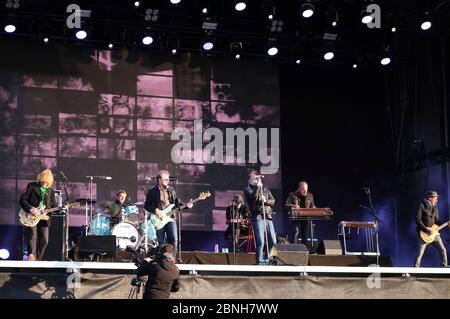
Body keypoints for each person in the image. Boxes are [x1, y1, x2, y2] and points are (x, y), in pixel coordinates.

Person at [144, 170, 192, 254]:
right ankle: (161, 261)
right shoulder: (152, 191)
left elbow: (177, 204)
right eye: (165, 179)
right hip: (159, 219)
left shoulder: (171, 190)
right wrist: (155, 210)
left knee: (173, 240)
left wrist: (187, 205)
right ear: (159, 180)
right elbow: (146, 205)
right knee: (160, 242)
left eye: (168, 179)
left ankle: (171, 260)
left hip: (170, 218)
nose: (167, 181)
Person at [19, 169, 57, 261]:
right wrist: (31, 209)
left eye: (46, 181)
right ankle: (31, 255)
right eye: (43, 181)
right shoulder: (31, 186)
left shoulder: (50, 191)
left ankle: (38, 259)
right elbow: (22, 200)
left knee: (45, 239)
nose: (44, 183)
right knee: (32, 236)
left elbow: (53, 206)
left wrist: (50, 211)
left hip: (43, 218)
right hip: (31, 215)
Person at [244, 170, 276, 265]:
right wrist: (257, 187)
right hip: (258, 217)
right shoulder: (248, 190)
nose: (256, 178)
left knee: (273, 241)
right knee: (260, 241)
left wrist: (265, 200)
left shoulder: (265, 189)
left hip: (268, 216)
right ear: (249, 180)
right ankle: (260, 261)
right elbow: (253, 198)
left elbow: (273, 201)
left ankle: (272, 261)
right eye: (253, 177)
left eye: (256, 176)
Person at [414, 191, 449, 268]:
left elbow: (436, 221)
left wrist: (447, 225)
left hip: (434, 234)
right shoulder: (421, 205)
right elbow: (417, 220)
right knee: (420, 252)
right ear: (430, 198)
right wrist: (426, 230)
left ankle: (444, 267)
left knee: (443, 250)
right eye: (435, 198)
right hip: (424, 234)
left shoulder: (435, 207)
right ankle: (415, 269)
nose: (436, 200)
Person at [285, 181, 316, 245]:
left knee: (305, 235)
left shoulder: (310, 195)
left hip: (306, 218)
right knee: (296, 232)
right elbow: (286, 205)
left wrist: (314, 208)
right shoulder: (292, 194)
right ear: (299, 189)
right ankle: (293, 248)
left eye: (306, 190)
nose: (305, 192)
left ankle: (304, 250)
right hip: (296, 217)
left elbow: (312, 205)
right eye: (303, 190)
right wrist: (294, 206)